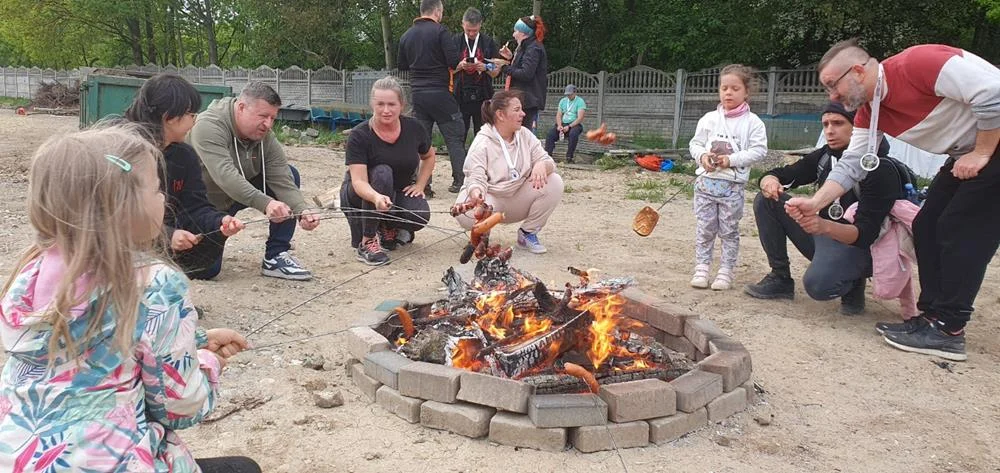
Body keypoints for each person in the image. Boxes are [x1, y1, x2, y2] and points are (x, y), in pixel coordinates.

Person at [0, 126, 257, 473]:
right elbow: (181, 407)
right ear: (125, 206)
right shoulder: (155, 284)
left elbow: (93, 350)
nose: (164, 198)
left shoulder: (28, 276)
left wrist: (194, 341)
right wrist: (208, 363)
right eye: (157, 189)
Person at [786, 39, 1000, 361]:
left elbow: (994, 92)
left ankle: (949, 329)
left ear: (857, 71)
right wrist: (815, 203)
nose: (832, 97)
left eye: (832, 85)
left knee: (959, 228)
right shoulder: (870, 112)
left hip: (988, 146)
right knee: (926, 225)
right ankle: (931, 317)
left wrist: (982, 152)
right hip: (966, 152)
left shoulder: (918, 64)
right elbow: (852, 164)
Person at [744, 102, 897, 315]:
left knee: (818, 286)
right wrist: (769, 181)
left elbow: (867, 235)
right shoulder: (825, 156)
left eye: (838, 123)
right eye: (825, 124)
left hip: (862, 248)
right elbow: (785, 173)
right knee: (766, 200)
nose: (829, 131)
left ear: (859, 127)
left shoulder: (879, 168)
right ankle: (780, 277)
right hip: (826, 236)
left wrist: (823, 226)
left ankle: (854, 282)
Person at [188, 81, 320, 281]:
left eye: (272, 118)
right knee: (205, 271)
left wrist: (302, 210)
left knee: (291, 173)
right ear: (241, 107)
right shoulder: (209, 126)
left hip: (235, 198)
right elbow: (225, 176)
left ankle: (276, 255)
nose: (268, 124)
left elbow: (281, 175)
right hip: (204, 206)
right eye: (263, 116)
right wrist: (267, 204)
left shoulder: (264, 134)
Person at [123, 73, 247, 279]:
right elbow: (114, 216)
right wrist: (166, 236)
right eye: (192, 115)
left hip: (162, 230)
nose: (194, 122)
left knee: (209, 268)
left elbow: (195, 206)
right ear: (169, 117)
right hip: (118, 243)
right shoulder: (124, 150)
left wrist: (219, 222)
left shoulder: (184, 156)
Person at [453, 90, 563, 253]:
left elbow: (547, 161)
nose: (523, 114)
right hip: (491, 199)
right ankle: (482, 233)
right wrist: (476, 194)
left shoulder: (525, 135)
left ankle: (527, 233)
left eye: (522, 109)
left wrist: (542, 165)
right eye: (517, 110)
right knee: (468, 213)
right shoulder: (482, 142)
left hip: (517, 199)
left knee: (554, 182)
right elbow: (475, 176)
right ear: (500, 115)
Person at [688, 64, 768, 290]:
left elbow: (759, 150)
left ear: (746, 91)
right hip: (705, 185)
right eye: (724, 88)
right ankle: (702, 268)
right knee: (705, 228)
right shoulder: (708, 119)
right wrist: (703, 156)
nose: (728, 93)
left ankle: (725, 271)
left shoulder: (753, 123)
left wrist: (730, 160)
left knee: (729, 230)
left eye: (735, 88)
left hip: (732, 187)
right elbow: (695, 144)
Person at [341, 77, 434, 266]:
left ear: (402, 105)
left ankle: (387, 226)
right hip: (361, 194)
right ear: (372, 105)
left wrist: (420, 185)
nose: (386, 110)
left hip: (395, 193)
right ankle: (367, 241)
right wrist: (376, 197)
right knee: (382, 173)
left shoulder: (414, 128)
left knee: (420, 214)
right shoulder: (359, 135)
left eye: (391, 104)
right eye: (380, 104)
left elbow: (429, 156)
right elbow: (359, 182)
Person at [397, 0, 467, 195]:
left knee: (421, 141)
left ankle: (423, 185)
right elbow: (453, 61)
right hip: (440, 94)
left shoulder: (406, 36)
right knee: (454, 138)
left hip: (418, 95)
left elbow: (402, 65)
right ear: (437, 11)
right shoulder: (441, 32)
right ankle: (460, 182)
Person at [453, 7, 501, 149]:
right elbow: (446, 69)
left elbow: (497, 70)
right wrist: (460, 66)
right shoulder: (454, 41)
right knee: (459, 134)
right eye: (468, 30)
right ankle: (459, 162)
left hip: (483, 95)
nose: (472, 33)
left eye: (475, 30)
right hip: (459, 95)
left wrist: (486, 67)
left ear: (480, 24)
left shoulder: (488, 42)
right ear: (462, 24)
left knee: (483, 135)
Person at [498, 15, 548, 131]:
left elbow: (526, 74)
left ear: (523, 33)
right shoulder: (526, 47)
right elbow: (522, 67)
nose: (513, 35)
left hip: (528, 102)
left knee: (524, 135)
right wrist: (510, 58)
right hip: (523, 100)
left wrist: (504, 67)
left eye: (516, 31)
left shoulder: (533, 49)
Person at [544, 84, 587, 163]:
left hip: (574, 124)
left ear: (574, 93)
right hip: (563, 123)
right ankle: (548, 156)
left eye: (570, 94)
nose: (568, 96)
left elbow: (580, 118)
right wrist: (559, 125)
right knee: (550, 134)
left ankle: (569, 156)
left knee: (573, 134)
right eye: (567, 94)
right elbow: (559, 115)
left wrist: (569, 126)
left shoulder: (580, 101)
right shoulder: (563, 101)